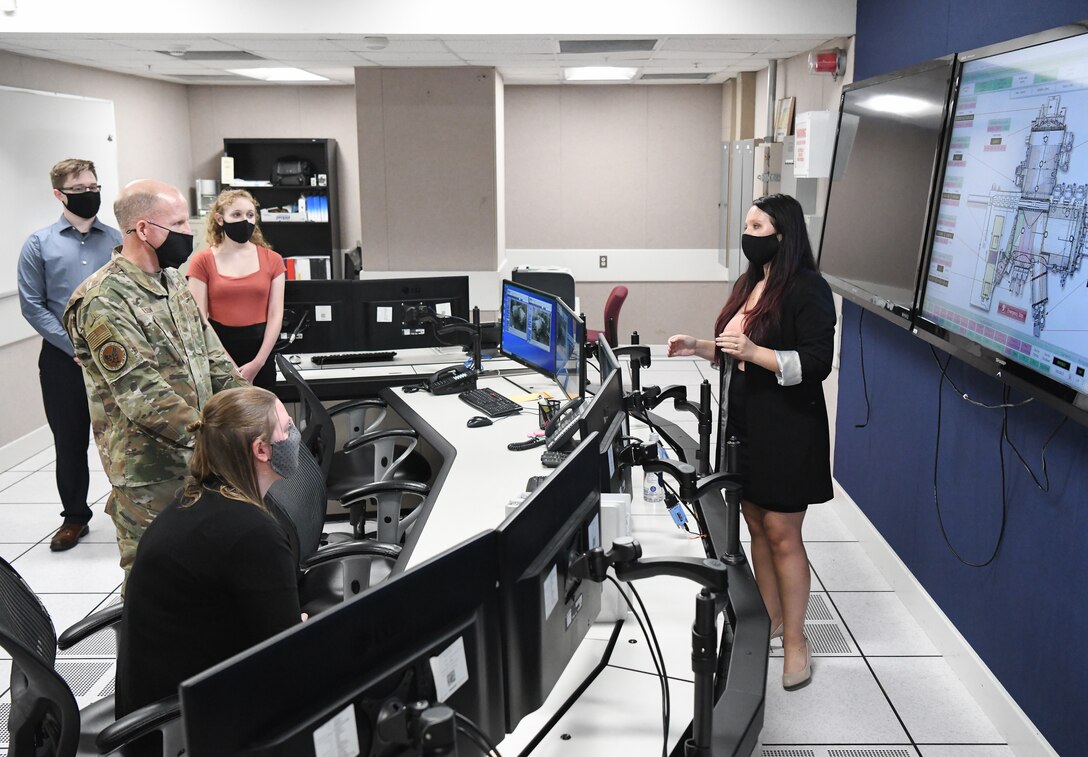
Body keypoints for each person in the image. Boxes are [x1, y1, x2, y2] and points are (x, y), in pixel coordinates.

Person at [666, 193, 835, 691]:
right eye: (747, 224)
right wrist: (701, 346)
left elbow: (816, 364)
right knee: (756, 525)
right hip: (744, 429)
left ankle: (798, 644)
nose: (748, 233)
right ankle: (770, 623)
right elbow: (737, 351)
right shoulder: (751, 283)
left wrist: (760, 353)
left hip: (787, 432)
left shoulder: (808, 289)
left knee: (783, 534)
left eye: (757, 225)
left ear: (781, 234)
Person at [63, 179, 246, 580]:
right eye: (178, 223)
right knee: (155, 576)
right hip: (150, 469)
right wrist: (216, 440)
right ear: (144, 229)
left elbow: (213, 358)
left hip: (198, 456)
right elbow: (141, 393)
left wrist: (255, 415)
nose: (188, 232)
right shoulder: (102, 299)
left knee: (201, 570)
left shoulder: (174, 282)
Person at [115, 386, 303, 721]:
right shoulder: (251, 534)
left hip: (159, 700)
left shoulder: (198, 497)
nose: (295, 436)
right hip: (190, 722)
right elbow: (286, 656)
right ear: (261, 450)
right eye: (287, 429)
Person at [17, 159, 122, 552]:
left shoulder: (115, 240)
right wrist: (74, 346)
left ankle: (130, 510)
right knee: (70, 440)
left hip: (113, 359)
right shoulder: (38, 244)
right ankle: (75, 517)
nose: (90, 194)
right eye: (79, 190)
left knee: (120, 439)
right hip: (63, 361)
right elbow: (32, 305)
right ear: (59, 194)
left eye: (94, 186)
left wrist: (104, 347)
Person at [187, 189, 286, 390]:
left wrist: (258, 363)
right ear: (220, 218)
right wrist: (227, 364)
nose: (245, 221)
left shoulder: (273, 260)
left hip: (261, 354)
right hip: (219, 353)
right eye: (236, 215)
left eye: (250, 215)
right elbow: (199, 318)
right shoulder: (202, 261)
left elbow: (276, 314)